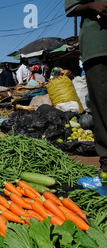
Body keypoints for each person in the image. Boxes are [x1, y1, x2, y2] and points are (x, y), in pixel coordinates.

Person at [65, 0, 107, 173]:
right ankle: (106, 158)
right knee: (102, 102)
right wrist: (93, 5)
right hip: (98, 44)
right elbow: (71, 7)